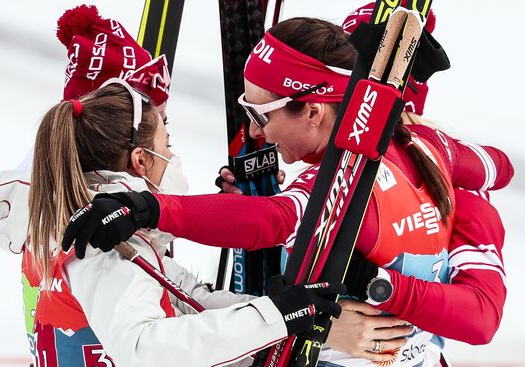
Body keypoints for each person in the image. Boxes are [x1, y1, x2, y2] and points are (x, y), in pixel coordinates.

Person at [61, 14, 514, 367]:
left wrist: (147, 207)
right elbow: (499, 166)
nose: (256, 133)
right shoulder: (430, 148)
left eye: (261, 116)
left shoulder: (341, 181)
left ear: (313, 111)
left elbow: (273, 221)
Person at [0, 6, 343, 367]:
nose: (173, 157)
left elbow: (187, 300)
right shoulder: (105, 243)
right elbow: (146, 350)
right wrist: (275, 316)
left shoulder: (62, 212)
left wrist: (284, 317)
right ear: (139, 160)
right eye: (168, 143)